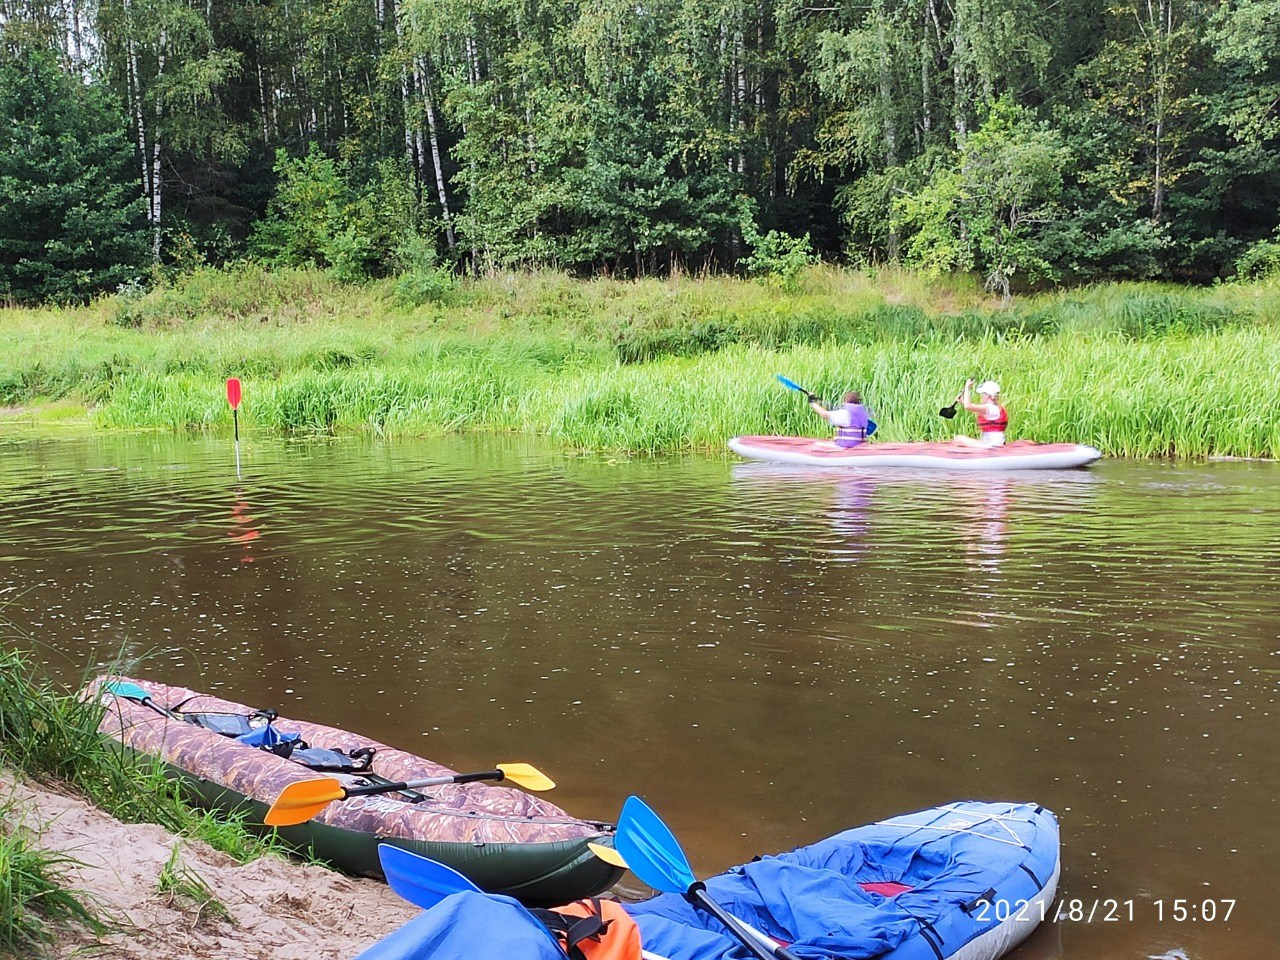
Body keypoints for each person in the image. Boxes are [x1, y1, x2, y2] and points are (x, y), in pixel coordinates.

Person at [953, 379, 1007, 448]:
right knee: (959, 439)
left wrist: (967, 388)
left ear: (987, 396)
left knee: (959, 439)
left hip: (993, 445)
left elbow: (968, 406)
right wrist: (963, 401)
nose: (981, 396)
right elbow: (971, 406)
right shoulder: (992, 408)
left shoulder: (991, 408)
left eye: (982, 394)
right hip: (990, 443)